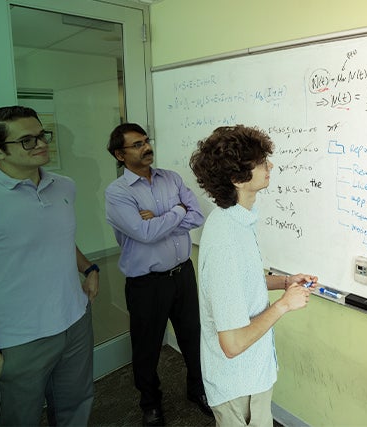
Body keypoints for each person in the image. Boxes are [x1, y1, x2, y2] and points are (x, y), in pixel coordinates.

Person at [0, 105, 99, 426]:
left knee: (76, 407)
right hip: (19, 342)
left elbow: (60, 239)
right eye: (26, 140)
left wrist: (89, 268)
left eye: (41, 135)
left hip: (75, 323)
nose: (41, 144)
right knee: (18, 420)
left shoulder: (64, 186)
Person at [189, 125, 317, 426]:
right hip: (238, 384)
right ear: (237, 179)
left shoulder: (237, 221)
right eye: (261, 162)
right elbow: (232, 344)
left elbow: (243, 284)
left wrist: (285, 283)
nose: (269, 166)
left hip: (253, 373)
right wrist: (284, 304)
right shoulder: (225, 241)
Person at [104, 123, 210, 425]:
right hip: (146, 283)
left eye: (146, 141)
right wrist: (176, 212)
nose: (146, 148)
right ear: (120, 155)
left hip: (183, 274)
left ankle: (197, 388)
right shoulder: (117, 193)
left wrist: (161, 218)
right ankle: (150, 403)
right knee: (147, 347)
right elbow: (144, 233)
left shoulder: (171, 178)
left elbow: (197, 216)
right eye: (136, 145)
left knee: (192, 336)